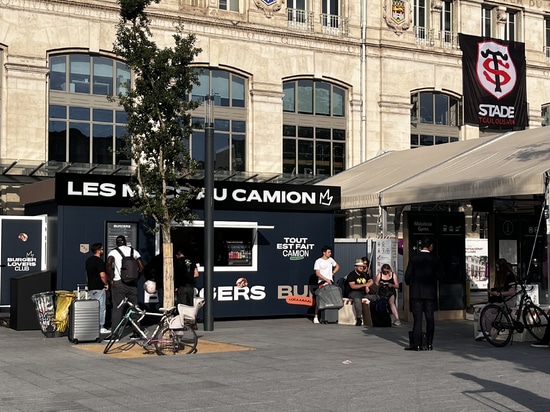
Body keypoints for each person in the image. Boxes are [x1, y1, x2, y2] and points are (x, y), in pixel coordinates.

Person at [404, 237, 441, 351]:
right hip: (430, 293)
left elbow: (407, 276)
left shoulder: (414, 258)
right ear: (431, 246)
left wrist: (411, 284)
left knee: (417, 319)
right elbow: (440, 276)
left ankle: (417, 344)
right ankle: (429, 343)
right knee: (430, 318)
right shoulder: (435, 259)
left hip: (416, 293)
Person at [106, 235, 144, 335]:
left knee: (117, 309)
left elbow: (108, 265)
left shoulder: (113, 252)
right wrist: (136, 279)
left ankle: (115, 334)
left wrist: (111, 279)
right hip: (132, 284)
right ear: (126, 242)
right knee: (134, 308)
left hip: (118, 283)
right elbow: (141, 268)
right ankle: (137, 332)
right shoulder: (134, 251)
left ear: (116, 243)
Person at [476, 258, 517, 341]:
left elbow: (511, 292)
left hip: (508, 300)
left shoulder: (510, 277)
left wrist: (498, 294)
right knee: (485, 308)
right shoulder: (501, 277)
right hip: (500, 299)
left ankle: (486, 331)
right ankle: (483, 331)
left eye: (498, 268)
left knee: (488, 311)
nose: (497, 270)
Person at [85, 242, 111, 335]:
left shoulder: (88, 261)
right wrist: (106, 283)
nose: (103, 251)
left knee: (94, 308)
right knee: (101, 308)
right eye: (102, 249)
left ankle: (93, 326)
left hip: (91, 287)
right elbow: (102, 275)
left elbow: (87, 275)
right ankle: (101, 326)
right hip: (99, 287)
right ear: (98, 250)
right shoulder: (99, 261)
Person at [312, 245, 340, 324]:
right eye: (328, 252)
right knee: (320, 299)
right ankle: (316, 316)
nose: (330, 253)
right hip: (322, 282)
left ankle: (329, 316)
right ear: (324, 253)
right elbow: (317, 273)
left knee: (330, 299)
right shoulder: (318, 261)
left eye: (330, 252)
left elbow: (337, 266)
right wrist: (326, 279)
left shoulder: (331, 260)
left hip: (330, 282)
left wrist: (333, 273)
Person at [347, 258, 374, 326]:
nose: (361, 268)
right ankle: (359, 318)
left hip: (364, 292)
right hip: (354, 292)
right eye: (359, 266)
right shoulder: (351, 275)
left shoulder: (364, 274)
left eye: (362, 266)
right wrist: (365, 285)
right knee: (357, 299)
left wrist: (367, 286)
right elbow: (353, 286)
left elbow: (371, 281)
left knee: (375, 297)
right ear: (356, 267)